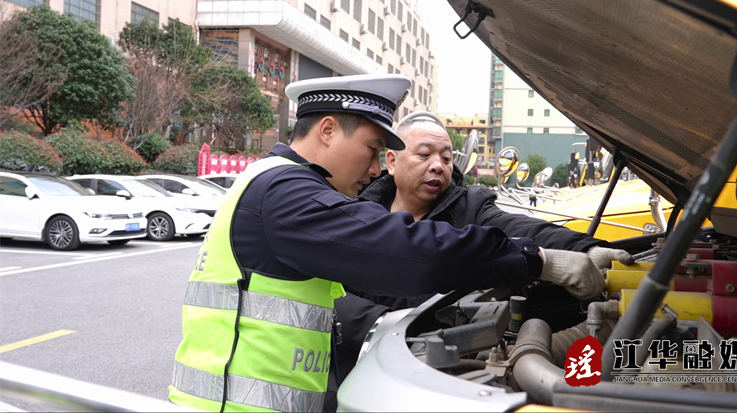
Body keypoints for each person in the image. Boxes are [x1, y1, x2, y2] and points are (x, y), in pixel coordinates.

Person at [168, 75, 615, 413]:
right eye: (371, 149)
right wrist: (535, 261)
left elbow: (515, 225)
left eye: (446, 157)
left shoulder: (278, 184)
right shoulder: (287, 193)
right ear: (328, 130)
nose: (373, 168)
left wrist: (582, 249)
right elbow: (406, 252)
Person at [326, 111, 633, 407]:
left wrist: (585, 249)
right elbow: (327, 293)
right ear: (392, 161)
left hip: (442, 378)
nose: (438, 166)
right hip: (355, 373)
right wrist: (385, 324)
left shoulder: (470, 208)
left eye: (447, 158)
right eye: (425, 155)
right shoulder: (356, 216)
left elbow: (523, 228)